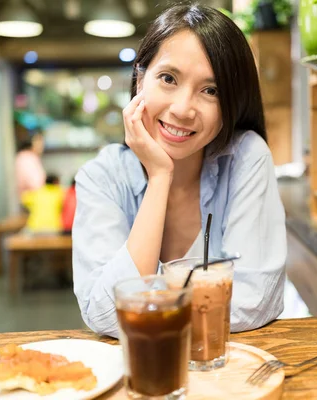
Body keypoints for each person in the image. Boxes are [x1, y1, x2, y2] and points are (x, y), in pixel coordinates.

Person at [72, 4, 286, 338]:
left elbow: (256, 300)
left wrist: (150, 308)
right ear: (140, 79)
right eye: (168, 78)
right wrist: (159, 177)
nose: (183, 109)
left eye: (210, 91)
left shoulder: (246, 156)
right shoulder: (101, 177)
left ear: (232, 102)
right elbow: (104, 314)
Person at [15, 133, 46, 198]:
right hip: (29, 200)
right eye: (38, 142)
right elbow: (35, 184)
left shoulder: (24, 157)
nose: (41, 146)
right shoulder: (27, 158)